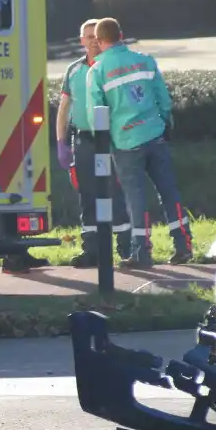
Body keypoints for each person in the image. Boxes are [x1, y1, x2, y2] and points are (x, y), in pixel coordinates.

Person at [86, 17, 192, 269]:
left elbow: (95, 115)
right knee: (169, 191)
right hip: (154, 134)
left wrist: (102, 143)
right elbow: (163, 97)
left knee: (136, 198)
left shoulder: (97, 71)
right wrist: (165, 123)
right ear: (121, 35)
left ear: (99, 41)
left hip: (125, 142)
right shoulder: (145, 61)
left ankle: (142, 253)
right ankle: (183, 245)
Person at [56, 18, 132, 267]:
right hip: (84, 140)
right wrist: (61, 142)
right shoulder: (74, 70)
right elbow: (64, 107)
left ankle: (126, 249)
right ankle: (92, 250)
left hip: (112, 140)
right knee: (87, 196)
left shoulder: (112, 67)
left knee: (116, 193)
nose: (93, 41)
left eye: (96, 36)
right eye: (88, 37)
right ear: (81, 41)